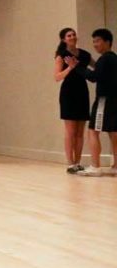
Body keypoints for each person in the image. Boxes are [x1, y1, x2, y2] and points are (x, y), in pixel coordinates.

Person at [69, 28, 117, 177]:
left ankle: (95, 166)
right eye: (93, 41)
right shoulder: (114, 58)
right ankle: (115, 166)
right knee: (113, 132)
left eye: (97, 41)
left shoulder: (105, 59)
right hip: (114, 99)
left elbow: (93, 77)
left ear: (107, 42)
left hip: (104, 100)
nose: (95, 44)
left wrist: (76, 66)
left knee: (92, 131)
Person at [54, 27, 93, 173]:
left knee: (80, 131)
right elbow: (57, 77)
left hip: (82, 91)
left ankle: (78, 162)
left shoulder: (84, 54)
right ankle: (70, 163)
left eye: (74, 34)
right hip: (68, 93)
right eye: (69, 35)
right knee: (70, 131)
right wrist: (70, 68)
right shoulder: (61, 56)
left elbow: (96, 68)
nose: (72, 37)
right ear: (64, 39)